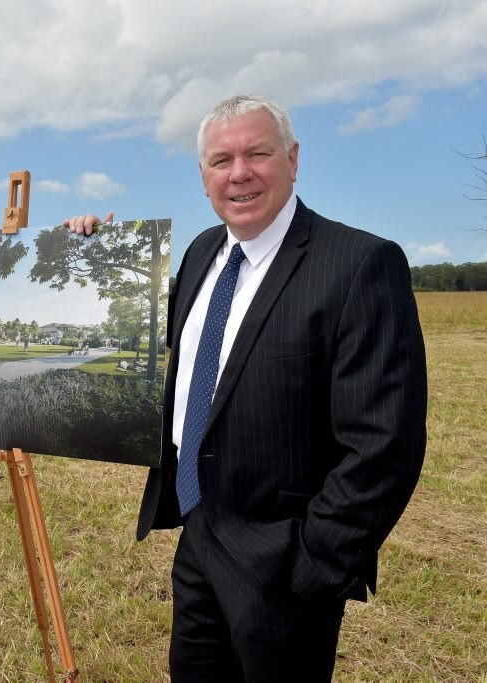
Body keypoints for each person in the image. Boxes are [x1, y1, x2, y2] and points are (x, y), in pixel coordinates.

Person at [67, 95, 427, 681]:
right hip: (197, 530)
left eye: (257, 153)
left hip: (284, 557)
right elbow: (142, 342)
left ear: (292, 158)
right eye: (221, 160)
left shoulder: (359, 263)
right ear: (204, 177)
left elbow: (386, 443)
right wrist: (95, 257)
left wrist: (316, 566)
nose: (239, 173)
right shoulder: (202, 251)